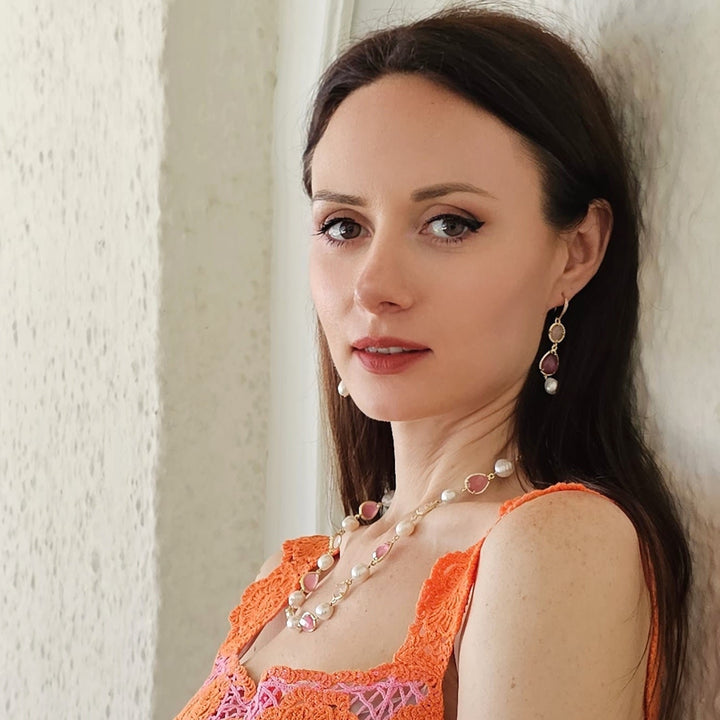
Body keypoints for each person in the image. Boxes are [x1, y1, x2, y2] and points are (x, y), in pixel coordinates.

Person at [175, 7, 691, 720]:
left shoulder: (552, 545)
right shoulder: (291, 579)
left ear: (575, 252)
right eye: (343, 226)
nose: (373, 286)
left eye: (449, 223)